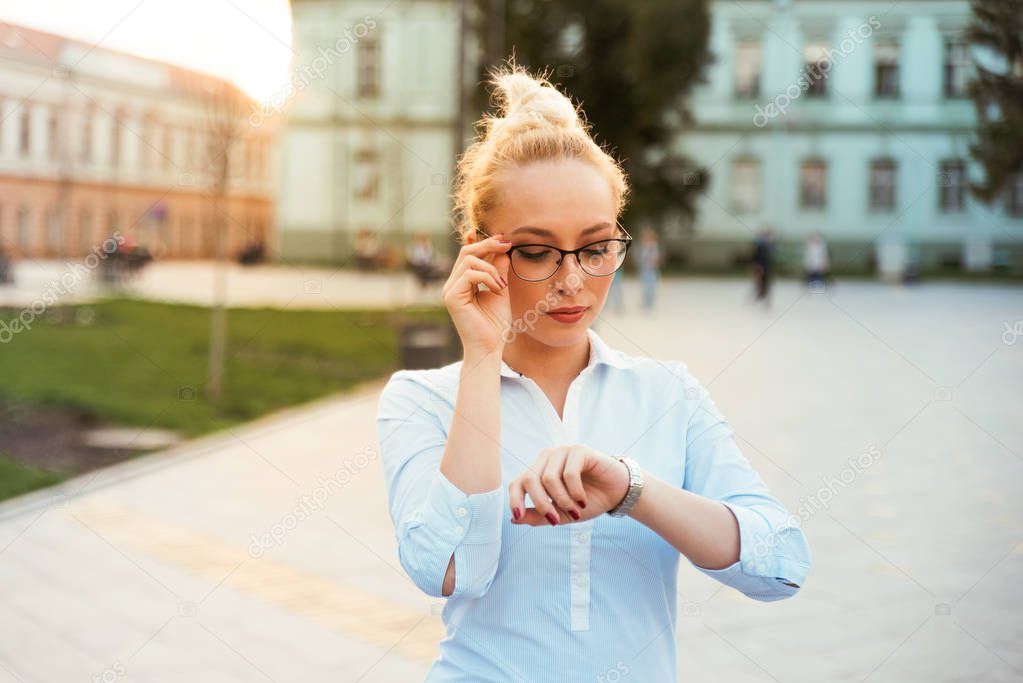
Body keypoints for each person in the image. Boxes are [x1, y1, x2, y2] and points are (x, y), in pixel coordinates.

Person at [375, 61, 810, 682]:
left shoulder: (668, 392)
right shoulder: (420, 399)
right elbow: (448, 570)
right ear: (480, 249)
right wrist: (481, 355)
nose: (573, 281)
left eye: (597, 246)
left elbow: (782, 564)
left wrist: (633, 490)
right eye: (535, 250)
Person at [636, 227, 662, 311]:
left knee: (652, 288)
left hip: (652, 270)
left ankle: (650, 304)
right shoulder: (645, 248)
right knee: (646, 288)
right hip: (645, 270)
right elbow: (642, 259)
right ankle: (646, 303)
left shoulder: (654, 247)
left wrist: (654, 263)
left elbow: (656, 260)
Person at [751, 225, 775, 307]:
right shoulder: (760, 244)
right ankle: (759, 296)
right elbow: (756, 257)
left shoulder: (770, 244)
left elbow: (770, 258)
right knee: (760, 283)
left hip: (767, 267)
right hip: (760, 266)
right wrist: (758, 266)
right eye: (767, 234)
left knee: (767, 283)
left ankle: (765, 299)